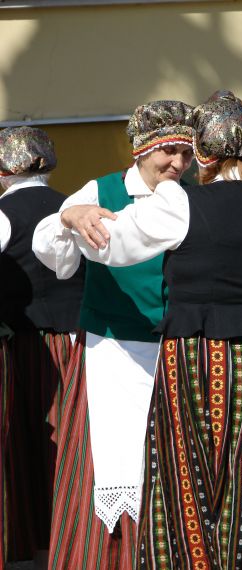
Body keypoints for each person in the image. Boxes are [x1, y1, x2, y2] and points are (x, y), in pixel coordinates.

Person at [67, 91, 242, 569]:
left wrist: (70, 214)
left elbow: (110, 245)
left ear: (205, 155)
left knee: (190, 475)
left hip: (202, 355)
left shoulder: (180, 203)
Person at [32, 101, 194, 570]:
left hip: (178, 350)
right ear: (141, 150)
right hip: (112, 350)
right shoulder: (100, 189)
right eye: (168, 151)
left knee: (171, 458)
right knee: (110, 459)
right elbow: (50, 249)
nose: (178, 163)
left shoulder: (191, 197)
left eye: (186, 153)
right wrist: (69, 216)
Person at [0, 126, 85, 568]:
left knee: (32, 441)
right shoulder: (73, 206)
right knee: (74, 442)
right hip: (78, 341)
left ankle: (37, 544)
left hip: (27, 344)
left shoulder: (2, 215)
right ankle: (70, 539)